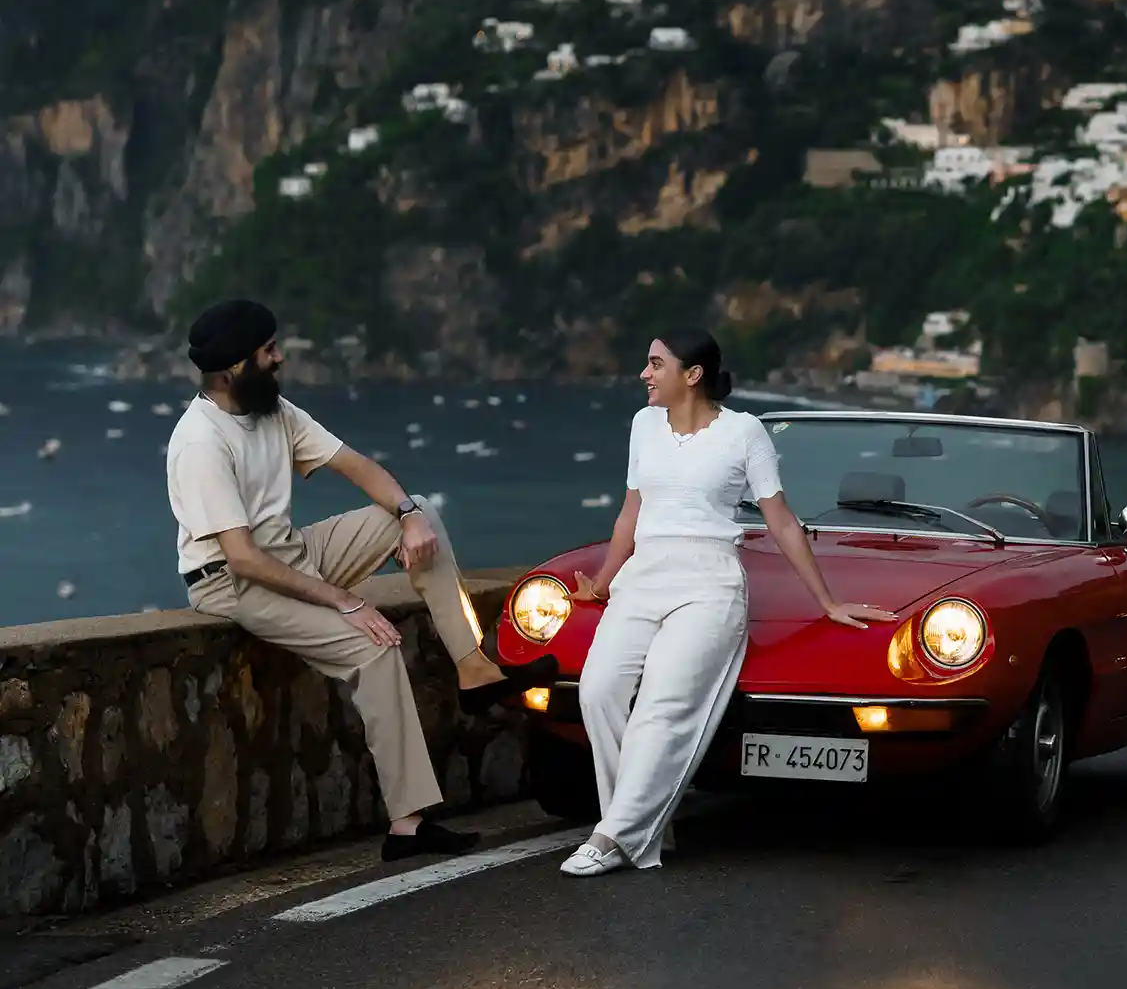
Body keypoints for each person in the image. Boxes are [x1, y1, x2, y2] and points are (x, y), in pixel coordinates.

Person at [165, 299, 559, 861]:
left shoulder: (272, 410)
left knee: (418, 508)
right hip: (231, 581)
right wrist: (344, 601)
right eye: (268, 350)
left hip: (291, 553)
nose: (281, 357)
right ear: (234, 369)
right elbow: (244, 559)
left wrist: (406, 515)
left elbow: (358, 467)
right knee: (373, 648)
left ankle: (472, 668)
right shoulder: (200, 441)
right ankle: (408, 827)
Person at [560, 330, 896, 877]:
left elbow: (780, 519)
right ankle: (645, 822)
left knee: (662, 708)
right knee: (598, 690)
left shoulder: (744, 432)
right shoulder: (644, 425)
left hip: (709, 581)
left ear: (692, 375)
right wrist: (601, 582)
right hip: (644, 575)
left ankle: (612, 835)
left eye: (654, 364)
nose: (644, 375)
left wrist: (828, 602)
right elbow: (630, 513)